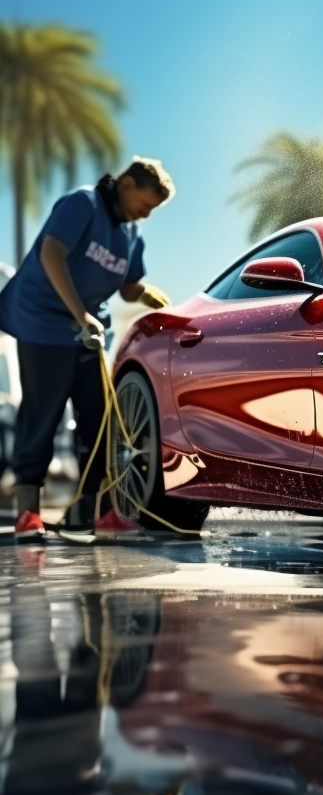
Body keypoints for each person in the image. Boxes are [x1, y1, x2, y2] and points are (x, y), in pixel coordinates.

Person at [0, 157, 174, 539]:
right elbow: (50, 254)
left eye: (151, 211)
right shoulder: (83, 204)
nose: (145, 214)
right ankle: (27, 512)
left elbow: (129, 286)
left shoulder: (132, 235)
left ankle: (95, 512)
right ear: (127, 182)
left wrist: (146, 295)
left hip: (86, 332)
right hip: (44, 322)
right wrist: (80, 315)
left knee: (99, 422)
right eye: (144, 204)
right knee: (42, 415)